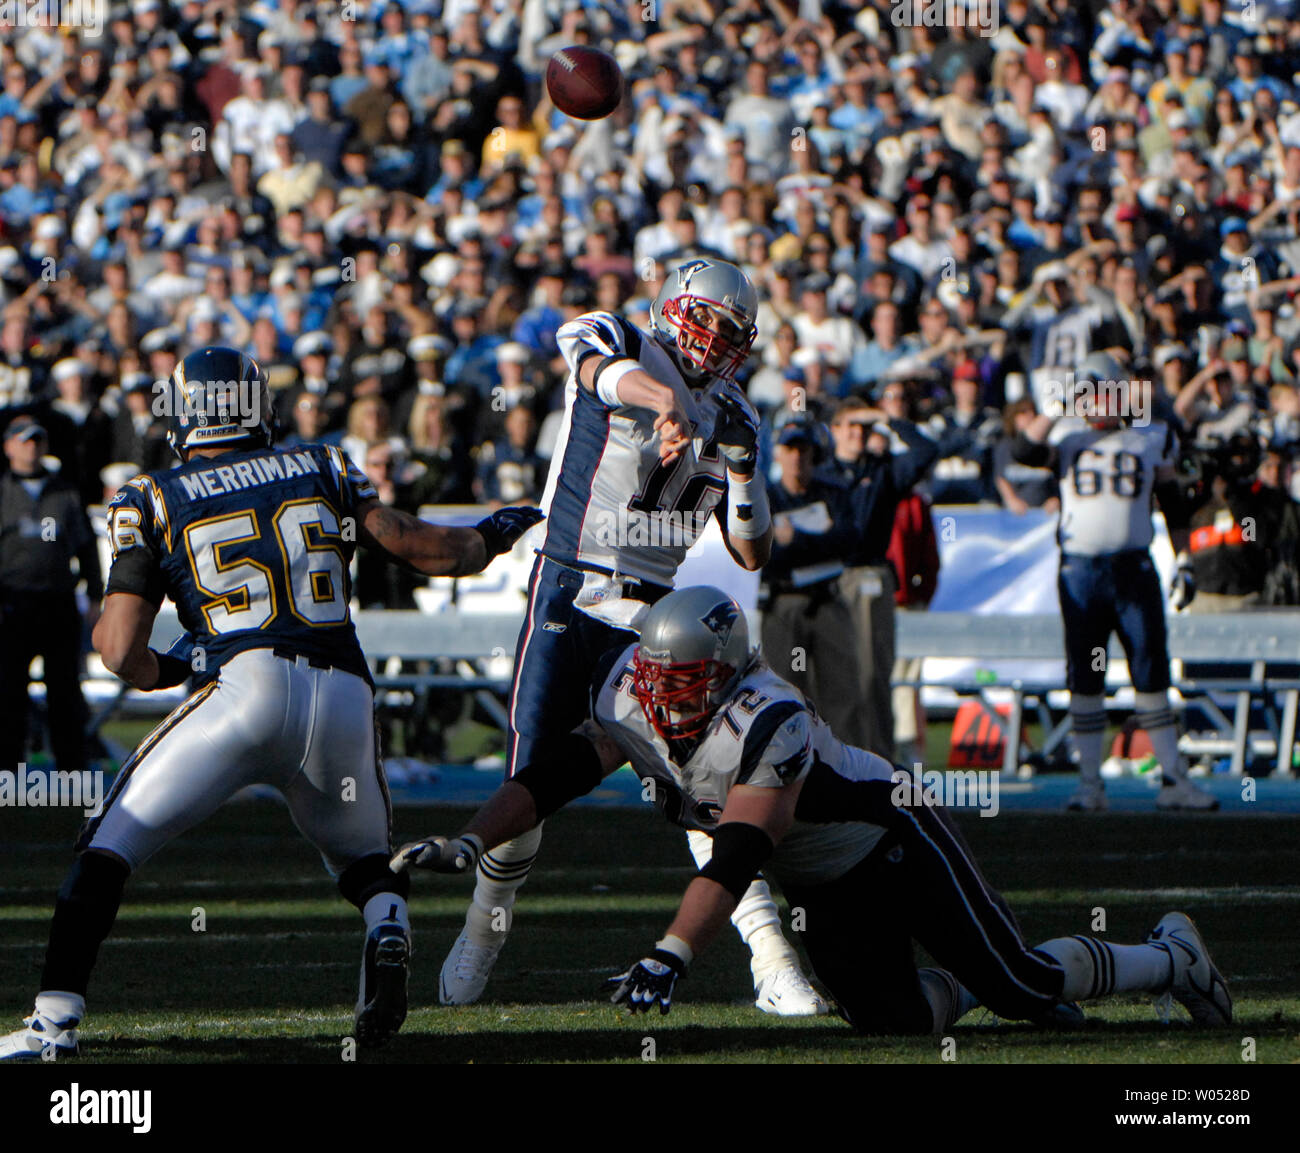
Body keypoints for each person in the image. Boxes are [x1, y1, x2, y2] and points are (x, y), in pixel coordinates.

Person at [0, 347, 542, 1061]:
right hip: (343, 693)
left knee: (107, 846)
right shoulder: (324, 463)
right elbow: (419, 546)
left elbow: (118, 650)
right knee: (361, 860)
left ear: (185, 412)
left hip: (243, 687)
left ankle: (54, 1022)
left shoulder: (151, 494)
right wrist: (495, 535)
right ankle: (387, 923)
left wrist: (176, 662)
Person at [393, 587, 1232, 1035]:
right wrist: (469, 840)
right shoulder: (633, 693)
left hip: (888, 833)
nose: (658, 694)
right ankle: (973, 981)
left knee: (1022, 984)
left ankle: (1172, 957)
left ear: (722, 672)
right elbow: (554, 775)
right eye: (653, 676)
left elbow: (736, 852)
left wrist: (669, 955)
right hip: (823, 878)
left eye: (678, 679)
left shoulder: (770, 717)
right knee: (891, 1022)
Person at [439, 258, 826, 1018]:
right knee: (532, 779)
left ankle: (772, 958)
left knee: (704, 776)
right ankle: (481, 937)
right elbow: (590, 367)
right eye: (705, 321)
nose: (713, 343)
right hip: (569, 587)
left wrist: (744, 472)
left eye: (730, 333)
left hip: (652, 616)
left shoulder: (740, 414)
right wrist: (668, 404)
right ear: (673, 307)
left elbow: (752, 550)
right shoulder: (621, 337)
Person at [1011, 353, 1218, 812]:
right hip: (1081, 572)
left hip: (1133, 569)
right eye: (1088, 394)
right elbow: (1022, 451)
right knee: (1086, 676)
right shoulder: (1067, 435)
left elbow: (1174, 503)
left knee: (1150, 668)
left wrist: (1183, 560)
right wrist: (1062, 402)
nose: (1094, 404)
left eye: (1102, 392)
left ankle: (1172, 779)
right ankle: (1090, 785)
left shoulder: (1151, 435)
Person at [0, 415, 102, 780]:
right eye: (24, 440)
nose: (32, 447)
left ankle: (70, 773)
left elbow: (87, 549)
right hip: (11, 606)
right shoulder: (2, 492)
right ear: (9, 446)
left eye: (37, 441)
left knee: (65, 693)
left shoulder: (65, 493)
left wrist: (94, 594)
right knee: (9, 693)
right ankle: (7, 772)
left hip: (57, 603)